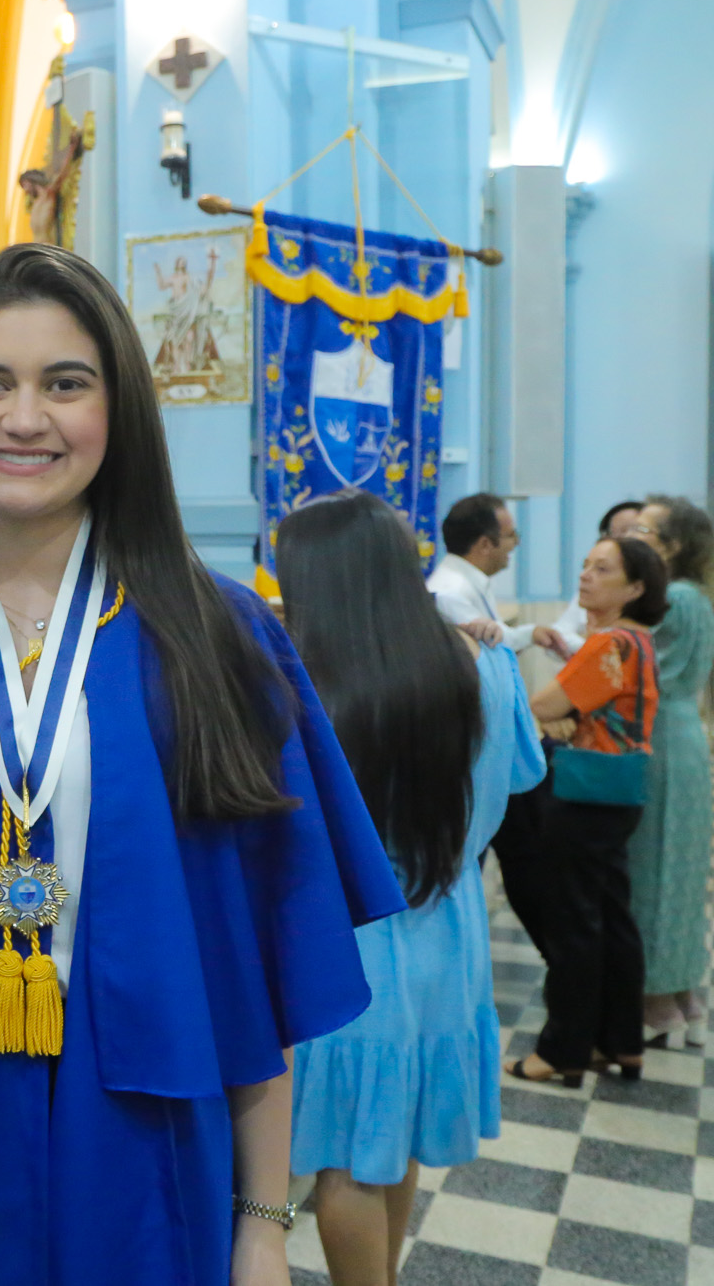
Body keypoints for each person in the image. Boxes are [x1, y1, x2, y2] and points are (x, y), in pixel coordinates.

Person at [0, 243, 404, 1286]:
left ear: (118, 408)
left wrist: (262, 1225)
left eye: (65, 385)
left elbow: (255, 966)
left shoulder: (216, 633)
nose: (23, 419)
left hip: (139, 1144)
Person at [278, 491, 544, 1286]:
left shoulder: (303, 685)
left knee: (347, 1156)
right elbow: (522, 771)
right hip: (447, 927)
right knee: (390, 1141)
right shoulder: (483, 662)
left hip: (346, 941)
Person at [502, 536, 668, 1085]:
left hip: (585, 796)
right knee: (612, 916)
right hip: (618, 792)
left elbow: (544, 704)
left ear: (636, 587)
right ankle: (620, 1041)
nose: (586, 575)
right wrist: (563, 716)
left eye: (603, 569)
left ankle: (562, 1050)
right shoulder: (639, 640)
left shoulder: (610, 643)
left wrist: (554, 715)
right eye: (585, 565)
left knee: (573, 922)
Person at [624, 496, 714, 1048]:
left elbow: (638, 667)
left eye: (644, 529)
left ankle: (657, 997)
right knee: (678, 870)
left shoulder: (675, 599)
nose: (632, 535)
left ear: (674, 545)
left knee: (655, 868)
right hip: (681, 736)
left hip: (659, 735)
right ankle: (683, 994)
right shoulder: (695, 597)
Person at [427, 493, 570, 657]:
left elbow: (499, 636)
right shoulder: (450, 593)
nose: (516, 543)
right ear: (485, 544)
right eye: (510, 536)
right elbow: (490, 644)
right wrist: (530, 634)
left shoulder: (470, 580)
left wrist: (532, 634)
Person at [538, 500, 646, 656]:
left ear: (635, 588)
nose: (583, 575)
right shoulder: (591, 588)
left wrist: (590, 643)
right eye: (611, 533)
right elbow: (554, 639)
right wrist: (589, 644)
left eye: (627, 531)